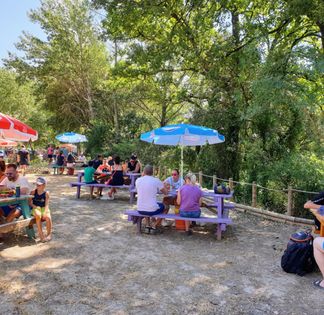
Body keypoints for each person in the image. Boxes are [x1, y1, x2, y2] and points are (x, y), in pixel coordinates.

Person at [135, 164, 168, 233]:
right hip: (151, 209)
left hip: (140, 208)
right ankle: (154, 226)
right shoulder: (156, 180)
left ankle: (147, 225)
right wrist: (165, 186)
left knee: (147, 202)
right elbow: (166, 193)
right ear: (152, 172)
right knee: (166, 206)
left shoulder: (138, 180)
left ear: (144, 172)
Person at [29, 177, 52, 242]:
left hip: (44, 207)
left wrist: (45, 212)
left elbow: (47, 204)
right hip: (35, 207)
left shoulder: (46, 193)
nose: (37, 186)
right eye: (36, 185)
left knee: (48, 217)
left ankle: (49, 234)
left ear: (44, 185)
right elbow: (29, 202)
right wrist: (34, 206)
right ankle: (41, 235)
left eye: (39, 185)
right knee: (38, 215)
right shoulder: (33, 192)